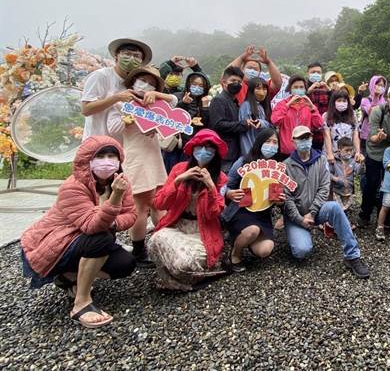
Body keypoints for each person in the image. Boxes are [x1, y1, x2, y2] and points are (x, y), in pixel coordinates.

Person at [20, 136, 137, 328]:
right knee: (101, 239)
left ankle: (69, 276)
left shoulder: (120, 182)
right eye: (101, 156)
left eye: (111, 156)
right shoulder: (73, 186)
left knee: (125, 263)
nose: (107, 161)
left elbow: (131, 215)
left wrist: (113, 222)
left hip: (84, 241)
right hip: (55, 243)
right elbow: (92, 226)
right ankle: (81, 303)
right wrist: (115, 198)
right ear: (87, 160)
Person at [106, 66, 176, 265]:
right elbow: (113, 128)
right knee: (141, 207)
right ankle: (138, 249)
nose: (146, 85)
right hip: (136, 158)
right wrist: (129, 120)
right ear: (133, 81)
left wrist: (156, 95)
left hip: (154, 156)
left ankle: (162, 242)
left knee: (158, 202)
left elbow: (175, 102)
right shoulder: (122, 103)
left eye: (152, 83)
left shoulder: (155, 104)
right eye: (143, 80)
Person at [282, 126, 370, 278]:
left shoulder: (321, 160)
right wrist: (300, 219)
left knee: (335, 207)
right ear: (293, 141)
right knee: (301, 251)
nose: (305, 141)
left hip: (316, 211)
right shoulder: (285, 165)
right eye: (300, 138)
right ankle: (297, 232)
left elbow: (324, 188)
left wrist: (312, 213)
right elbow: (286, 197)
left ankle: (352, 256)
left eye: (307, 137)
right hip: (296, 216)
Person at [148, 129, 229, 291]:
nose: (204, 151)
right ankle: (186, 282)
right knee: (153, 242)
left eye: (209, 148)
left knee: (184, 264)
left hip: (202, 231)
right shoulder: (179, 169)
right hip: (178, 226)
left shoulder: (221, 178)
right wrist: (178, 181)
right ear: (192, 149)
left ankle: (176, 280)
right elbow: (160, 203)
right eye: (200, 147)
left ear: (216, 153)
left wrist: (211, 187)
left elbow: (215, 213)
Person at [223, 128, 283, 272]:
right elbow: (226, 185)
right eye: (268, 141)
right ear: (259, 142)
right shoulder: (243, 161)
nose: (271, 145)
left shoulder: (277, 167)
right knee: (252, 231)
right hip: (241, 210)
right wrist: (229, 193)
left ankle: (244, 240)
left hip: (262, 214)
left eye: (275, 142)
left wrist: (280, 202)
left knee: (265, 250)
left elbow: (278, 199)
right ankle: (235, 254)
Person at [81, 38, 152, 141]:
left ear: (141, 62)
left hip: (120, 148)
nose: (131, 58)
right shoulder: (101, 76)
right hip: (97, 144)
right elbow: (86, 109)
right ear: (116, 56)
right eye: (127, 54)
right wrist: (117, 98)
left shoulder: (136, 85)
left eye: (136, 56)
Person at [358, 82, 390, 228]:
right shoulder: (378, 111)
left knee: (389, 186)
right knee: (372, 183)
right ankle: (364, 214)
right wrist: (379, 137)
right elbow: (371, 136)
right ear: (388, 97)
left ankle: (384, 218)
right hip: (375, 152)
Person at [209, 66, 256, 173]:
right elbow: (218, 124)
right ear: (224, 82)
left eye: (239, 82)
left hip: (235, 151)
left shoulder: (235, 102)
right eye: (233, 80)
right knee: (224, 182)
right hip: (225, 153)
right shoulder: (218, 100)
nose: (237, 84)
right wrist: (243, 124)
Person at [164, 71, 212, 172]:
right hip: (174, 143)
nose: (197, 87)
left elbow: (205, 125)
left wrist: (205, 108)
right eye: (194, 84)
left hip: (191, 146)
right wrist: (183, 103)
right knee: (170, 171)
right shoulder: (179, 96)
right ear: (189, 84)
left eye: (201, 85)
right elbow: (171, 117)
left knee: (185, 171)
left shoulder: (205, 101)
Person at [271, 75, 324, 156]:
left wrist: (312, 107)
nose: (298, 89)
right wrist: (288, 105)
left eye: (301, 87)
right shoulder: (282, 104)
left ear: (305, 89)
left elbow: (319, 124)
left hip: (305, 149)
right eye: (295, 87)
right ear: (290, 89)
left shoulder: (309, 106)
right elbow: (275, 121)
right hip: (287, 151)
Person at [323, 88, 364, 163]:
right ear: (333, 102)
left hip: (349, 155)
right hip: (333, 155)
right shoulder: (326, 116)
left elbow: (355, 134)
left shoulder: (353, 115)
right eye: (339, 100)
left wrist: (358, 152)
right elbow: (327, 135)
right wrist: (329, 154)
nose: (341, 103)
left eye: (344, 101)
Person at [239, 76, 273, 156]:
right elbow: (246, 133)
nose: (262, 92)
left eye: (264, 89)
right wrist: (250, 154)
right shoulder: (246, 105)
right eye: (258, 88)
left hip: (262, 151)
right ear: (251, 90)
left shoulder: (261, 106)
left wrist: (263, 123)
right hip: (250, 152)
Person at [329, 137, 362, 213]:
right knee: (339, 210)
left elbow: (358, 172)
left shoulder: (353, 161)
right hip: (337, 190)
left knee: (345, 210)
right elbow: (327, 173)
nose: (349, 153)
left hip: (349, 191)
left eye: (351, 150)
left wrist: (362, 164)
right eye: (347, 150)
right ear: (339, 149)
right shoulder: (334, 161)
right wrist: (335, 178)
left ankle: (344, 223)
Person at [359, 75, 387, 154]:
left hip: (380, 134)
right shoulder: (365, 100)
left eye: (382, 86)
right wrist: (375, 97)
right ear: (372, 85)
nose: (380, 87)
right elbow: (372, 114)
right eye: (378, 84)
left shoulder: (384, 102)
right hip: (367, 134)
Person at [306, 62, 331, 150]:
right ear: (307, 73)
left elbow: (334, 104)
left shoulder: (325, 88)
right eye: (313, 72)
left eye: (318, 72)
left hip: (323, 133)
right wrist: (308, 91)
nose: (316, 74)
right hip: (307, 132)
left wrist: (330, 91)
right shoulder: (302, 86)